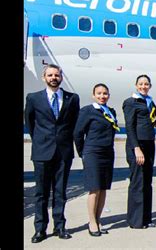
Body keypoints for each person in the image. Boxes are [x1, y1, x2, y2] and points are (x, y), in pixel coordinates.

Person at [24, 63, 80, 243]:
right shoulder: (33, 98)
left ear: (61, 77)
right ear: (44, 78)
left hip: (63, 152)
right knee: (41, 193)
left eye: (56, 75)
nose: (53, 78)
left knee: (60, 191)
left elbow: (74, 124)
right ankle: (40, 229)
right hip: (42, 152)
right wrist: (41, 140)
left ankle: (60, 226)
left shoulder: (73, 98)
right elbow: (30, 123)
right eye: (50, 75)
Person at [73, 83, 119, 236]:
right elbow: (78, 133)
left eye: (105, 93)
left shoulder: (111, 112)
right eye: (99, 93)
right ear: (93, 95)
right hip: (93, 152)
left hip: (107, 153)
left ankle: (99, 219)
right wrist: (83, 152)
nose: (102, 96)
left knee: (104, 188)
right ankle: (92, 222)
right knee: (94, 188)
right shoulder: (87, 111)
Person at [122, 74, 156, 229]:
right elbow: (129, 127)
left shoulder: (150, 102)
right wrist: (136, 148)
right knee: (137, 182)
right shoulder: (131, 102)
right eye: (141, 84)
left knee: (147, 182)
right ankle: (135, 221)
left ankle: (146, 218)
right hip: (137, 146)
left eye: (146, 84)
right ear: (136, 85)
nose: (144, 86)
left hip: (149, 144)